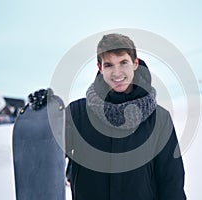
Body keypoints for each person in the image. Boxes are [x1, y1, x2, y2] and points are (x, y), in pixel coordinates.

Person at [65, 33, 186, 200]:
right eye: (109, 65)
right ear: (100, 68)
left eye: (123, 62)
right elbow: (48, 152)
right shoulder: (77, 114)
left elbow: (171, 181)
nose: (117, 73)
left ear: (135, 63)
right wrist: (41, 114)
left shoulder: (159, 118)